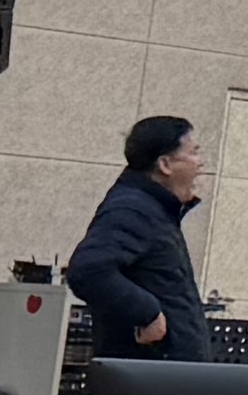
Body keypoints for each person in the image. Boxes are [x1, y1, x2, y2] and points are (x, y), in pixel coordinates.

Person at [70, 113, 220, 365]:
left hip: (161, 376)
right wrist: (147, 313)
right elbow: (87, 271)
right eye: (193, 153)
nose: (200, 163)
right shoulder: (133, 209)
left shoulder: (152, 210)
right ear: (165, 165)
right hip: (149, 377)